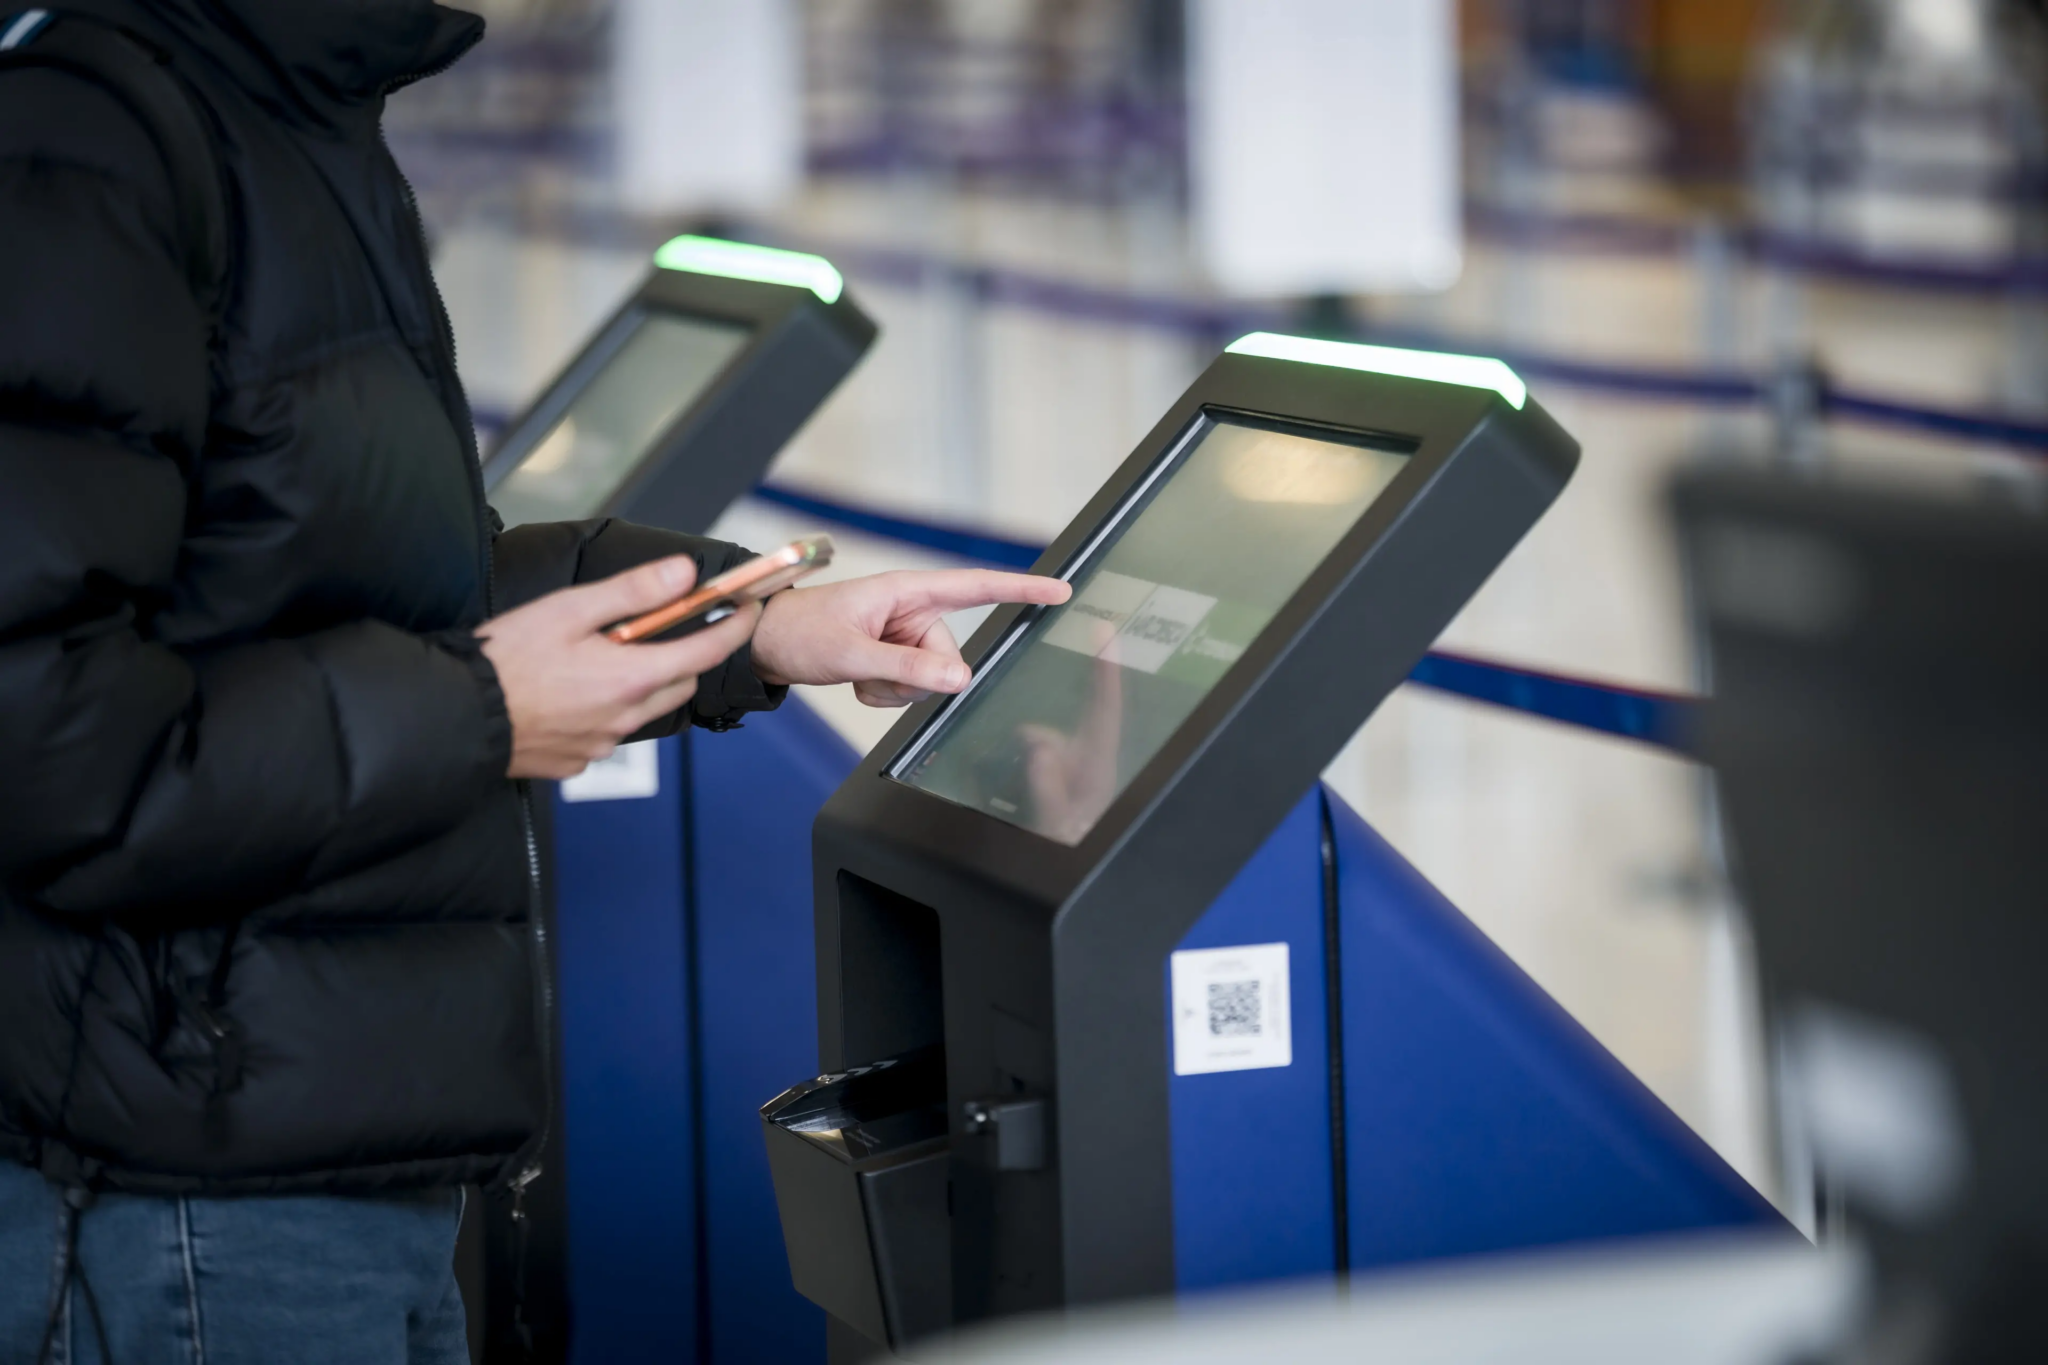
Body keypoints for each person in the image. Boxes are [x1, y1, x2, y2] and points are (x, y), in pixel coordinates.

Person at [0, 2, 1068, 1361]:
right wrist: (479, 711)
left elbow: (354, 578)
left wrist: (750, 627)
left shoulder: (289, 113)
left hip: (333, 1143)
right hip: (181, 1190)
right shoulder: (89, 135)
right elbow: (48, 743)